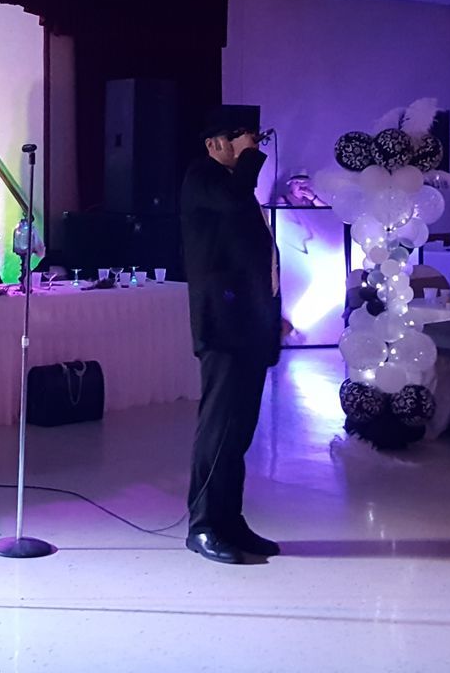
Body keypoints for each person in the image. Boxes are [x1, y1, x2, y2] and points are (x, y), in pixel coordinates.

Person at [180, 104, 282, 565]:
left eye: (254, 136)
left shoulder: (237, 188)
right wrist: (249, 161)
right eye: (241, 136)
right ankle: (203, 524)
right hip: (223, 327)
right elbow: (233, 198)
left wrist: (273, 312)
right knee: (219, 426)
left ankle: (230, 519)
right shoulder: (203, 178)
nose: (252, 144)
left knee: (240, 430)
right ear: (214, 143)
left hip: (250, 324)